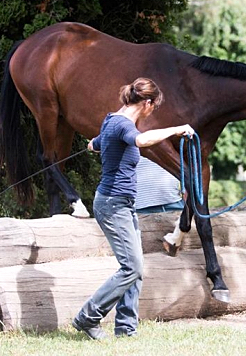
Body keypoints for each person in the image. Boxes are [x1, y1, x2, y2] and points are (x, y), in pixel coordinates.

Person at [72, 77, 194, 340]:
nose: (152, 112)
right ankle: (87, 317)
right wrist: (176, 129)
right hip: (112, 204)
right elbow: (140, 141)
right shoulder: (122, 124)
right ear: (147, 103)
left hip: (122, 204)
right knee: (133, 267)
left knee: (134, 268)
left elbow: (97, 142)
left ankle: (126, 329)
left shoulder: (110, 121)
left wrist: (95, 145)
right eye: (153, 107)